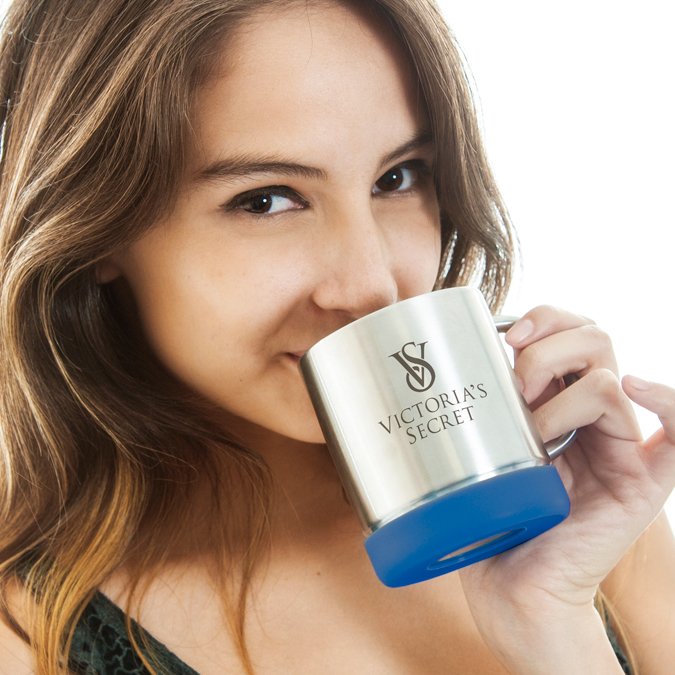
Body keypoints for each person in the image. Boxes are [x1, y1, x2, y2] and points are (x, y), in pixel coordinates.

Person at [0, 0, 673, 673]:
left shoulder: (577, 512)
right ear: (95, 228)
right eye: (265, 199)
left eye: (396, 178)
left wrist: (555, 627)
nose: (371, 284)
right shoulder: (26, 631)